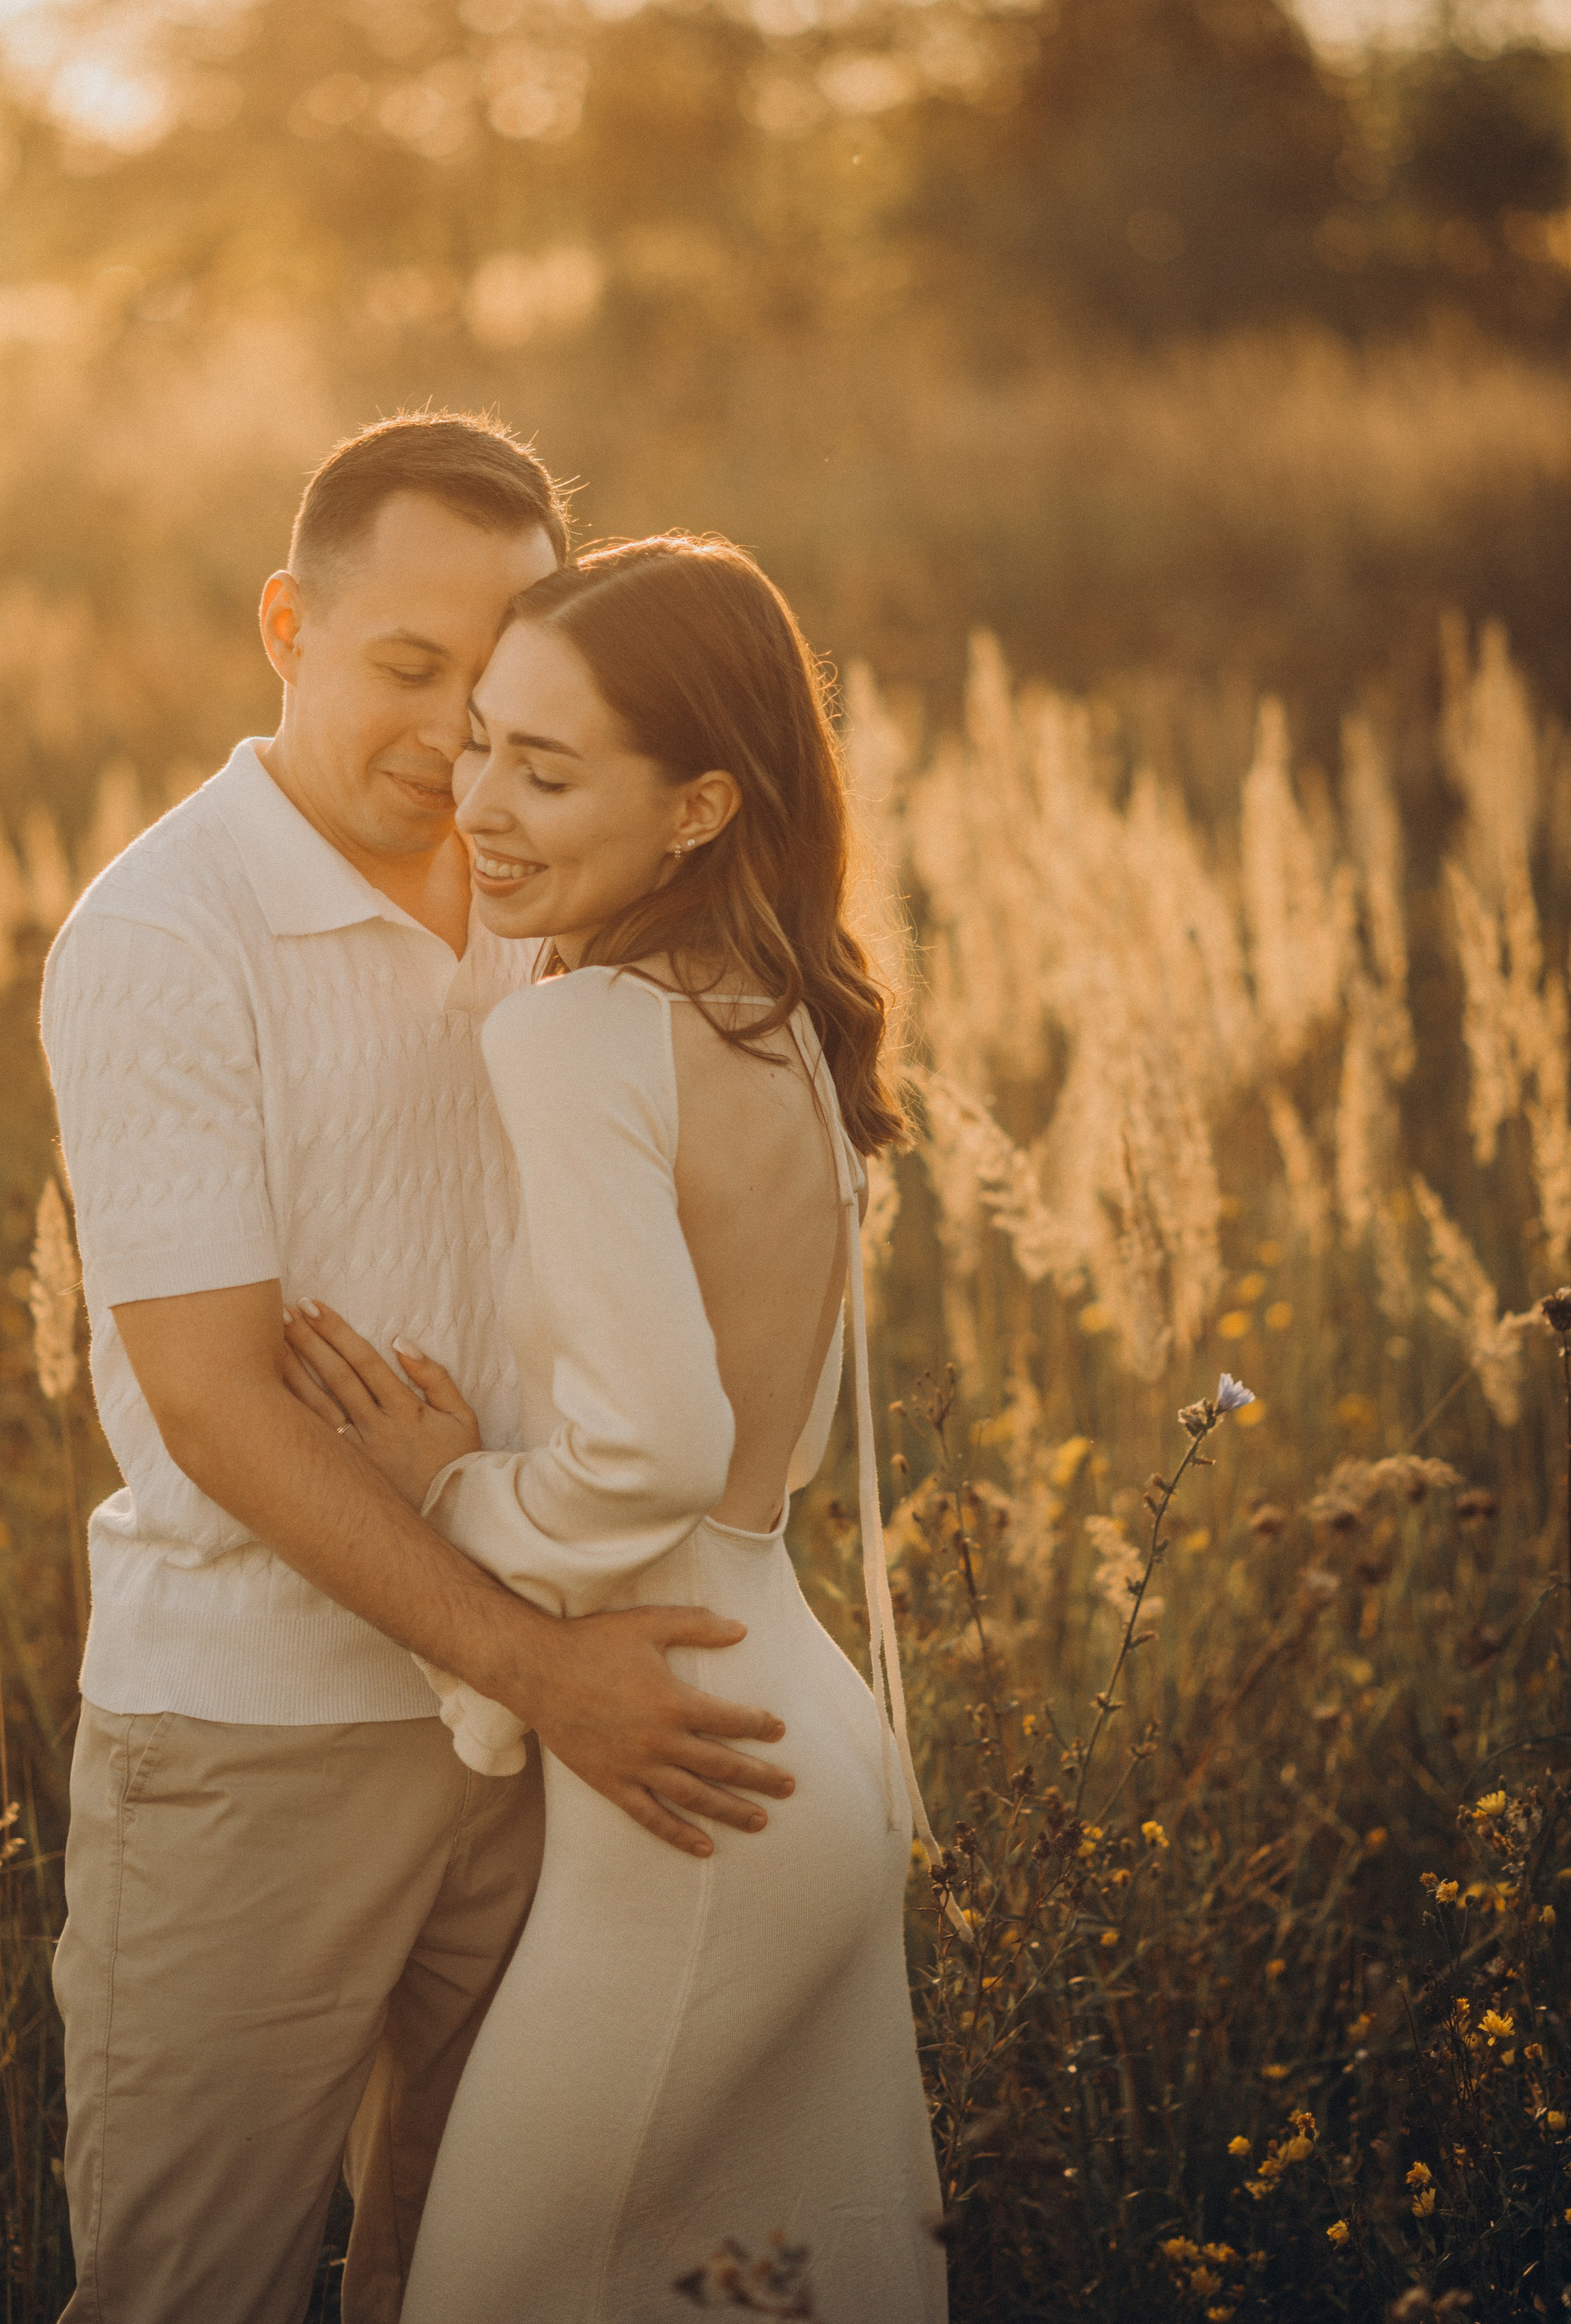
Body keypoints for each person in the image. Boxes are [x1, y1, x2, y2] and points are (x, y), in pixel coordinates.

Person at [40, 422, 793, 2324]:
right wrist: (536, 1664)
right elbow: (216, 1406)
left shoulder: (561, 897)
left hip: (543, 1741)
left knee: (470, 2286)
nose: (461, 737)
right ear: (286, 624)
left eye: (500, 679)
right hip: (259, 1743)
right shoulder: (163, 935)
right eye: (406, 667)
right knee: (185, 2294)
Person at [281, 535, 950, 2323]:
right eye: (483, 738)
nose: (477, 801)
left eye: (547, 770)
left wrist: (450, 1488)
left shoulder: (576, 1035)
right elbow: (757, 1454)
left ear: (701, 805)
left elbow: (649, 1453)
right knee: (779, 2295)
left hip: (694, 1776)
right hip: (796, 1724)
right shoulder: (780, 1016)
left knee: (494, 2293)